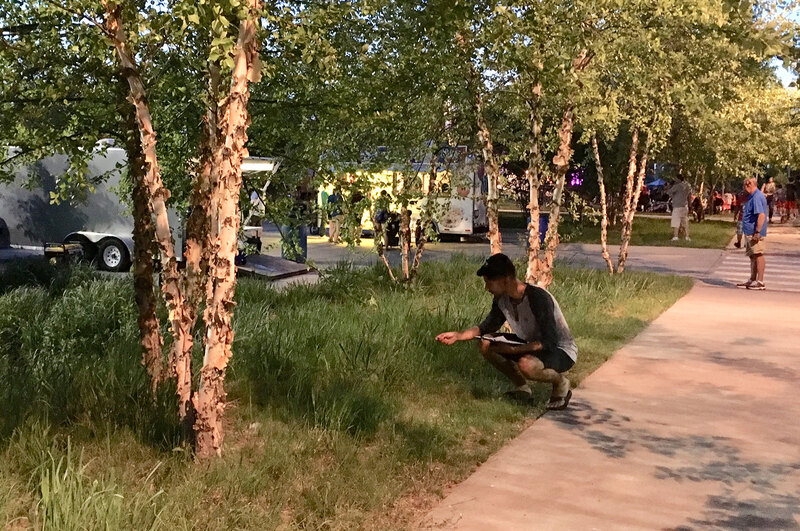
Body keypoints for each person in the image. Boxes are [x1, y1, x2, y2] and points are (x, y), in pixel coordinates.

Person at [435, 253, 578, 410]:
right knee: (486, 343)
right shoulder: (501, 299)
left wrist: (513, 350)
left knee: (527, 365)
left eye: (489, 282)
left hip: (560, 350)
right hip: (531, 344)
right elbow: (486, 327)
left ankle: (560, 383)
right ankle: (522, 388)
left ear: (506, 279)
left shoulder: (537, 297)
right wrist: (458, 335)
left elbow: (549, 342)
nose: (486, 288)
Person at [736, 177, 768, 290]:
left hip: (755, 232)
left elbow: (761, 215)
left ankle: (760, 282)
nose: (744, 189)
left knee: (758, 254)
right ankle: (752, 279)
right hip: (749, 231)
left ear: (749, 185)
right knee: (753, 255)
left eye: (745, 186)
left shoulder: (757, 197)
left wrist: (758, 232)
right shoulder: (752, 196)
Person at [666, 174, 692, 241]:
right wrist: (690, 205)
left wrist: (669, 187)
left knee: (676, 221)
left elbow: (669, 192)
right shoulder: (687, 186)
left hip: (677, 206)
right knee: (685, 222)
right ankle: (687, 236)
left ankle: (675, 236)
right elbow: (689, 196)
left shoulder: (676, 186)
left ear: (678, 179)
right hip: (685, 206)